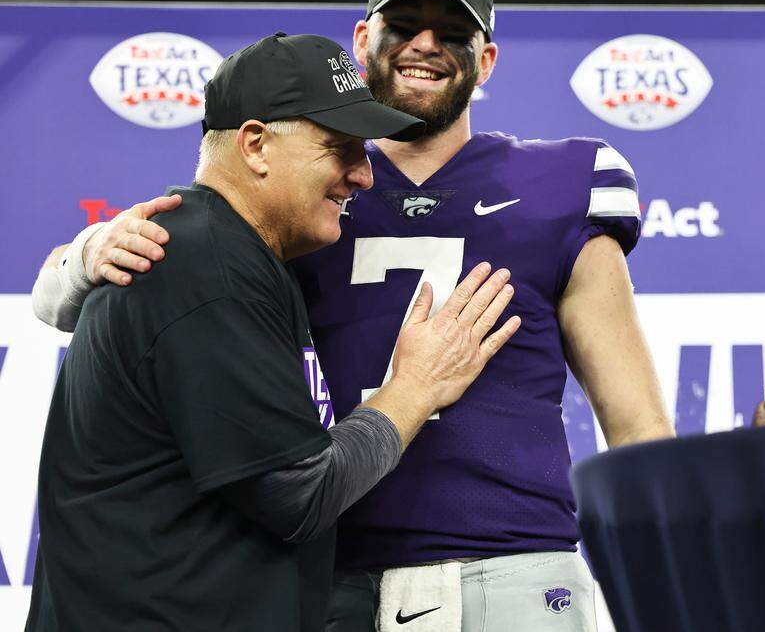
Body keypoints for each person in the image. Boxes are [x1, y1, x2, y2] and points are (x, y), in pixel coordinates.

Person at [33, 0, 674, 632]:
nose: (426, 44)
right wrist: (91, 250)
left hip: (508, 567)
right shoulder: (297, 193)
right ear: (364, 39)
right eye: (405, 24)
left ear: (486, 60)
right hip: (328, 571)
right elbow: (100, 291)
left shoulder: (563, 182)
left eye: (453, 31)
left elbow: (637, 426)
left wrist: (670, 589)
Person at [25, 32, 520, 632]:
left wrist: (77, 256)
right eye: (340, 148)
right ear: (256, 145)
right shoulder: (207, 267)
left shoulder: (229, 253)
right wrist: (415, 387)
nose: (364, 176)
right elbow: (300, 496)